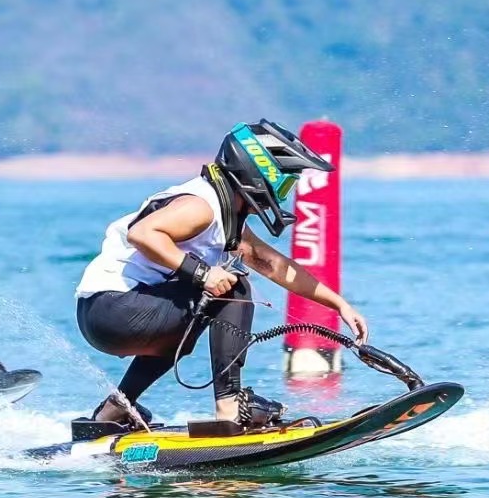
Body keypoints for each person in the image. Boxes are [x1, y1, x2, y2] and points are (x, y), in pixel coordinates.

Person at [73, 119, 368, 436]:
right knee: (233, 287)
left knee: (190, 326)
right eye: (283, 185)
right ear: (256, 173)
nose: (284, 196)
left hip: (107, 313)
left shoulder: (229, 217)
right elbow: (142, 233)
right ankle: (229, 409)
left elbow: (275, 266)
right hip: (114, 310)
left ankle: (117, 407)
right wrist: (201, 273)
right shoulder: (202, 207)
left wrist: (338, 304)